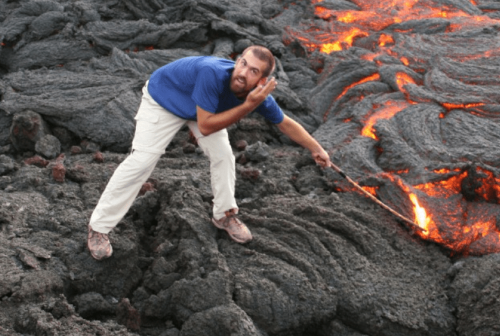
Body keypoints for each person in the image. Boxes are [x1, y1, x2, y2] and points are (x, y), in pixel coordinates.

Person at [87, 45, 331, 260]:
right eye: (243, 63)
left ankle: (223, 215)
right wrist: (247, 106)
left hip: (202, 110)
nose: (243, 73)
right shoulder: (211, 73)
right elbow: (205, 126)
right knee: (142, 161)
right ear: (237, 61)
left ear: (262, 81)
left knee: (224, 155)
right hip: (164, 98)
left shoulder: (258, 96)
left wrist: (316, 149)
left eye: (253, 71)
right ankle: (98, 228)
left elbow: (285, 122)